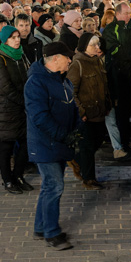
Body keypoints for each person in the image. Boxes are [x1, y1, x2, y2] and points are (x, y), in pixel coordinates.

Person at [25, 41, 81, 250]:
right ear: (55, 58)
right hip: (44, 144)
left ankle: (41, 227)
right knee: (54, 186)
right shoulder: (36, 83)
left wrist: (77, 128)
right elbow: (39, 117)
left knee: (50, 186)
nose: (70, 60)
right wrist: (64, 135)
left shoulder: (63, 80)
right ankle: (51, 232)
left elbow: (72, 107)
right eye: (67, 57)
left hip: (58, 142)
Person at [0, 25, 33, 194]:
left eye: (18, 36)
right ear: (5, 40)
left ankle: (18, 175)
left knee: (25, 143)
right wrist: (24, 101)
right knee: (6, 145)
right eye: (13, 37)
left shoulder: (21, 55)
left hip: (22, 107)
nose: (17, 40)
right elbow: (4, 87)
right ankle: (7, 180)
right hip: (5, 109)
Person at [66, 32, 111, 189]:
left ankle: (77, 160)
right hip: (86, 113)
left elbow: (103, 85)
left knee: (97, 140)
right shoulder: (77, 63)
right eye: (94, 45)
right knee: (88, 146)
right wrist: (81, 112)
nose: (98, 48)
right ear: (85, 47)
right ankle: (89, 179)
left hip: (99, 111)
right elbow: (71, 90)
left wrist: (108, 104)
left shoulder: (97, 61)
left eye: (98, 44)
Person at [102, 2, 131, 152]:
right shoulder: (111, 29)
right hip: (119, 75)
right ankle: (123, 142)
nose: (129, 16)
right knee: (122, 110)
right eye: (126, 13)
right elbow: (113, 49)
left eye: (130, 13)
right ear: (118, 14)